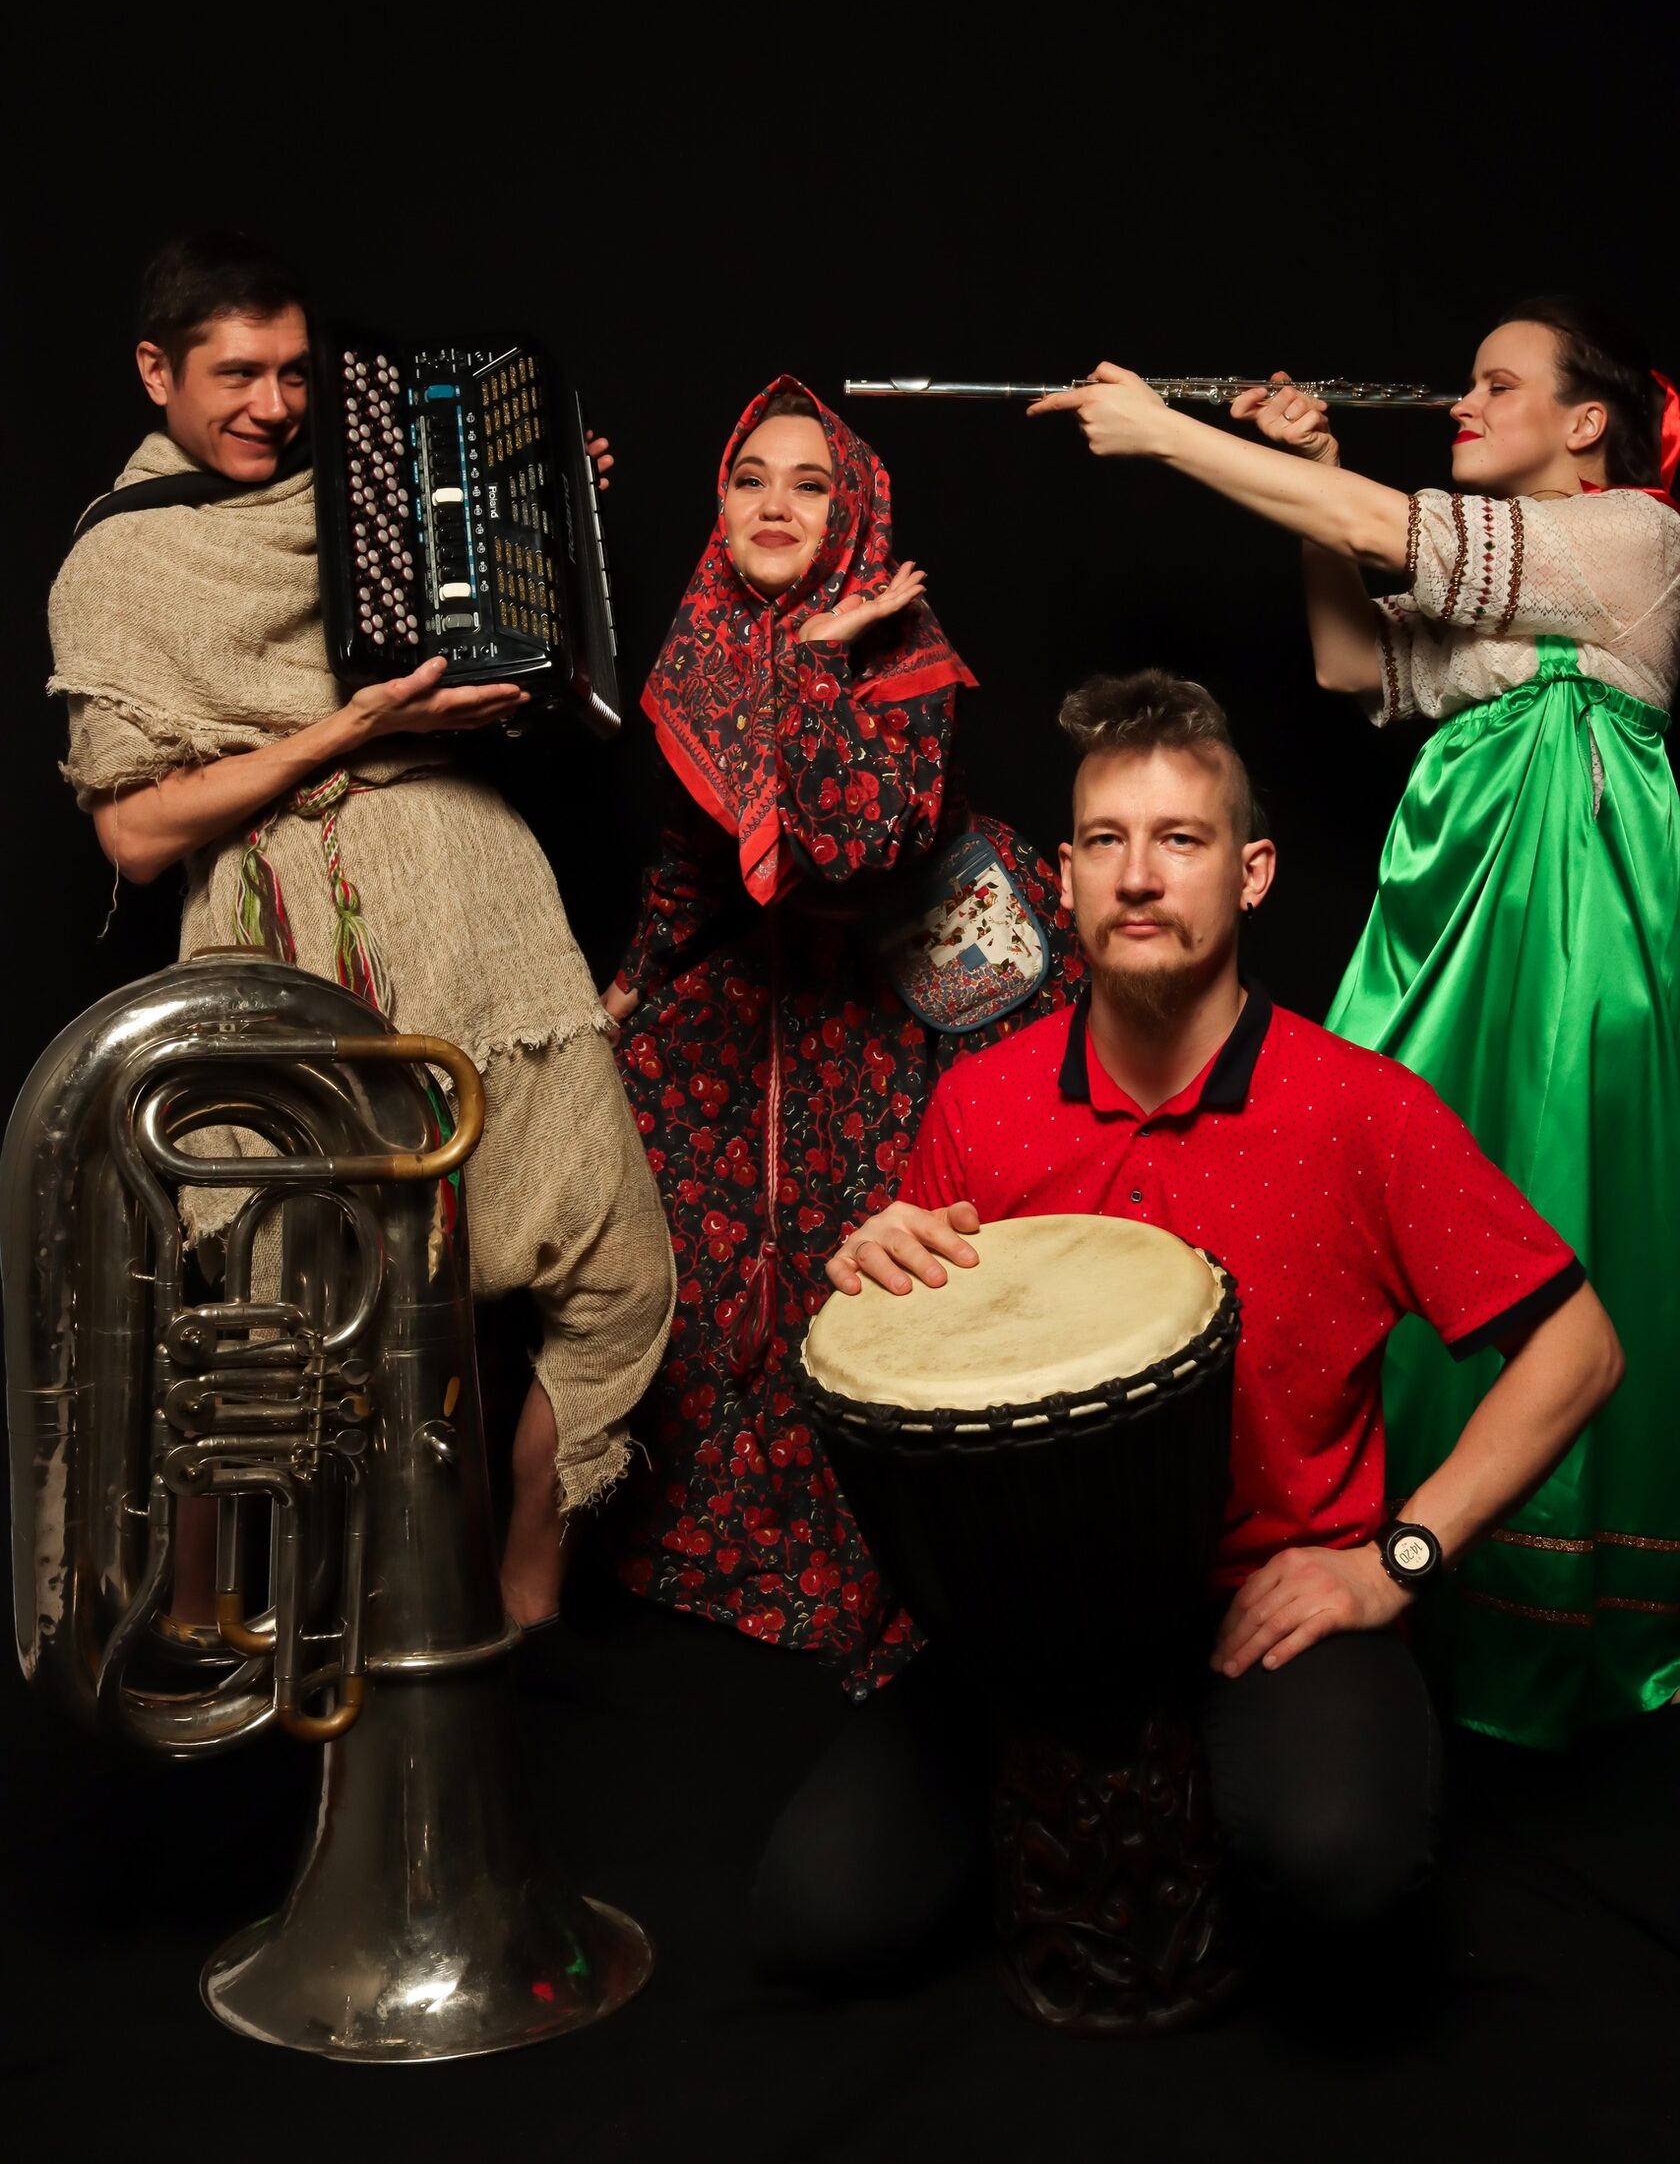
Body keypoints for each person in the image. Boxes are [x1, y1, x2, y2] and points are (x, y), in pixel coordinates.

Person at [769, 670, 1623, 1984]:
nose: (1140, 877)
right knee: (817, 1915)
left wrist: (1392, 1563)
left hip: (1268, 1610)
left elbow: (1580, 1348)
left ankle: (1184, 1811)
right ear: (1065, 880)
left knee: (1344, 1865)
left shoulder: (1362, 1111)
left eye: (1181, 839)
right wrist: (870, 1292)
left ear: (1253, 873)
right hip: (1029, 1617)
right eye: (1106, 841)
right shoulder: (982, 1108)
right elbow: (925, 1394)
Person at [1031, 313, 1680, 1750]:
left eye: (1500, 384)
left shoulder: (1637, 540)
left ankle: (1556, 1631)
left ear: (1588, 424)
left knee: (1564, 1228)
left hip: (1575, 957)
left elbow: (1390, 529)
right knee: (1418, 1253)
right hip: (1457, 940)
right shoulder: (1501, 588)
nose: (1464, 401)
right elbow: (1346, 664)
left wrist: (1167, 436)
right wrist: (1313, 468)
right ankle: (1414, 1606)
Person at [45, 230, 674, 1624]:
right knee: (264, 1305)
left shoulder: (378, 493)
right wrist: (347, 731)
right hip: (283, 940)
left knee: (614, 1261)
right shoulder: (116, 564)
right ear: (155, 372)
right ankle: (236, 1627)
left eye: (294, 372)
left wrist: (536, 519)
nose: (275, 405)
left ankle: (528, 1563)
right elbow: (135, 835)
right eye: (237, 374)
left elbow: (513, 658)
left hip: (480, 907)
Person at [603, 375, 1081, 1695]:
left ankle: (856, 1587)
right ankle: (714, 1571)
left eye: (809, 484)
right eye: (750, 479)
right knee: (694, 1262)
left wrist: (818, 656)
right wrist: (629, 990)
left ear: (854, 510)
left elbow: (851, 840)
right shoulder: (707, 632)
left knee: (856, 1276)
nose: (774, 505)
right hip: (750, 997)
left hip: (882, 999)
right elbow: (696, 853)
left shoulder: (900, 642)